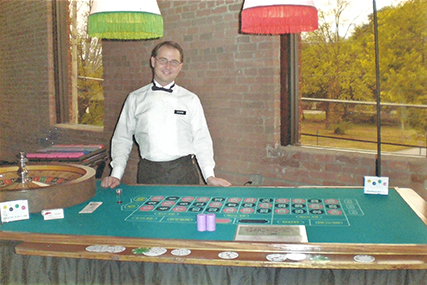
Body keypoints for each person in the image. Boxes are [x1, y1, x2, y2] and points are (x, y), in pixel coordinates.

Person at [101, 41, 231, 189]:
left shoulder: (191, 100)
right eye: (163, 60)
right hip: (148, 173)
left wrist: (209, 176)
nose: (168, 67)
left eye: (174, 62)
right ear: (153, 61)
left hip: (184, 173)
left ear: (180, 67)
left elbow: (202, 140)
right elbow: (122, 138)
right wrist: (116, 174)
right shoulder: (135, 98)